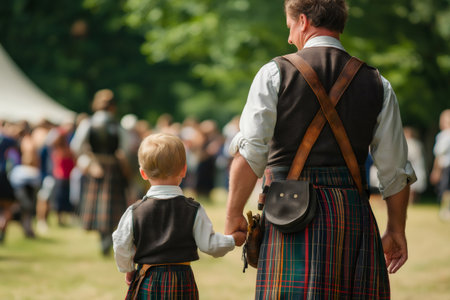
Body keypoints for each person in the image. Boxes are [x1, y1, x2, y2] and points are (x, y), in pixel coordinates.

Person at [224, 0, 416, 298]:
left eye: (289, 27)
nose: (289, 38)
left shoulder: (274, 73)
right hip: (352, 216)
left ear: (302, 21)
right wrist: (396, 228)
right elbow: (395, 170)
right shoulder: (378, 83)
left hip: (290, 214)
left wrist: (233, 213)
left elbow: (250, 154)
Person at [112, 133, 243, 299]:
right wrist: (233, 240)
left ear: (143, 173)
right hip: (181, 280)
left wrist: (128, 268)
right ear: (184, 170)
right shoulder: (193, 209)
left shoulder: (134, 211)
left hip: (148, 278)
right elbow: (209, 245)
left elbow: (120, 242)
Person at [70, 89, 129, 255]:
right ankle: (105, 242)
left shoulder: (89, 123)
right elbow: (125, 147)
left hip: (100, 167)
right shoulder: (116, 125)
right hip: (108, 167)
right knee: (108, 209)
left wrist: (89, 163)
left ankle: (105, 241)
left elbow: (76, 147)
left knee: (104, 209)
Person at [430, 109, 450, 220]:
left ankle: (446, 210)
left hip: (445, 166)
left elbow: (439, 155)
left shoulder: (443, 135)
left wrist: (436, 170)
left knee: (445, 189)